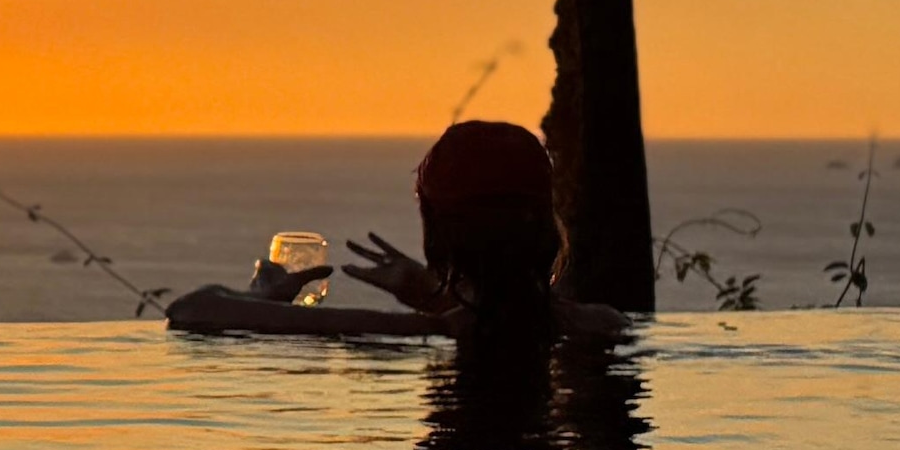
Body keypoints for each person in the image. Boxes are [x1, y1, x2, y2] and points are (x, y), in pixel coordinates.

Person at [163, 120, 629, 344]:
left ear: (438, 233)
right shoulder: (603, 325)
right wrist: (430, 292)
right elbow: (509, 325)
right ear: (547, 223)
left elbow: (190, 310)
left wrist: (262, 297)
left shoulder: (417, 333)